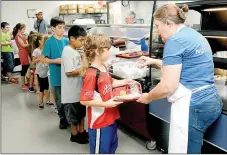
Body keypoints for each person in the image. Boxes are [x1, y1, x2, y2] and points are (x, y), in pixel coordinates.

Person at [136, 4, 223, 154]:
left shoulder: (174, 41)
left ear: (168, 23)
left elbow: (168, 86)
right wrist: (154, 61)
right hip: (211, 101)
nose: (156, 30)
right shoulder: (193, 34)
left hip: (193, 105)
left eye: (157, 26)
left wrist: (148, 97)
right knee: (194, 144)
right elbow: (185, 65)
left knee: (186, 149)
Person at [80, 34, 136, 154]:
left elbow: (111, 83)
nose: (110, 51)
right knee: (101, 151)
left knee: (111, 148)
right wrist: (107, 104)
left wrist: (125, 81)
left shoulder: (103, 68)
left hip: (111, 118)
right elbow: (84, 100)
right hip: (99, 122)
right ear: (97, 51)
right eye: (108, 49)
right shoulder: (91, 74)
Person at [40, 16, 69, 129]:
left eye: (64, 27)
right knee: (59, 99)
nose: (62, 30)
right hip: (56, 76)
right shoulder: (49, 42)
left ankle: (69, 117)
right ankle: (62, 118)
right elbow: (42, 59)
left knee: (68, 98)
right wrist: (54, 60)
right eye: (60, 27)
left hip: (68, 75)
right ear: (53, 29)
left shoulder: (66, 41)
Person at [61, 25, 88, 144]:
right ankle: (74, 134)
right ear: (72, 38)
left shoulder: (75, 50)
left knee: (81, 112)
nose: (82, 43)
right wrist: (84, 69)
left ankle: (82, 131)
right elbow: (69, 72)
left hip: (78, 89)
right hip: (71, 91)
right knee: (73, 116)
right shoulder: (67, 51)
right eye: (81, 40)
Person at [32, 35, 51, 109]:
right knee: (42, 88)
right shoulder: (36, 51)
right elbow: (33, 62)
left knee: (48, 87)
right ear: (40, 41)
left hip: (47, 71)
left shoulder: (48, 49)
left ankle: (48, 101)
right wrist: (41, 57)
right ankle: (40, 102)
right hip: (41, 72)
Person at [13, 23, 30, 90]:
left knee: (27, 67)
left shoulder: (22, 35)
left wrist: (26, 39)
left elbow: (25, 43)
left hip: (25, 52)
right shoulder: (18, 36)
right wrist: (30, 44)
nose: (24, 30)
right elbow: (23, 45)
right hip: (23, 53)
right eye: (23, 29)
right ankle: (23, 84)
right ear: (19, 29)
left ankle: (26, 82)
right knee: (24, 68)